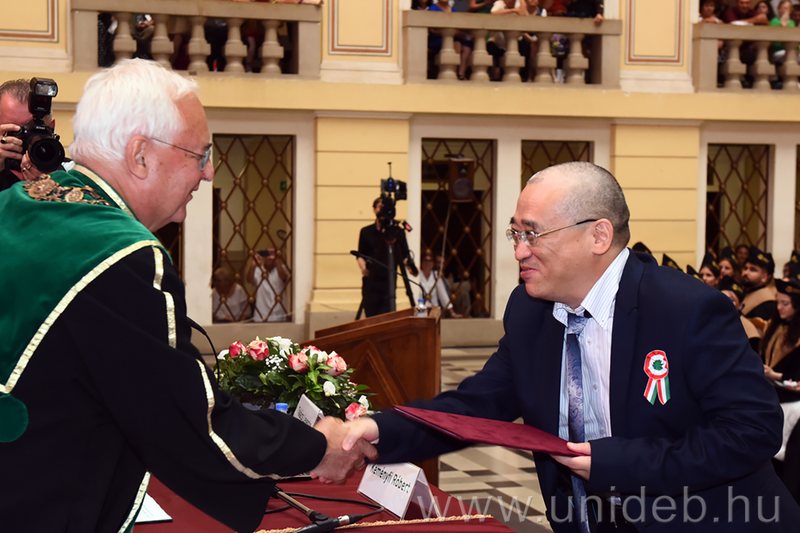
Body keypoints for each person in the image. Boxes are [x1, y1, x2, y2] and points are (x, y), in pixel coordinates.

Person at [0, 59, 376, 533]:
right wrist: (319, 447)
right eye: (199, 154)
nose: (209, 173)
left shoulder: (19, 204)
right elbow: (191, 423)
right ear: (140, 155)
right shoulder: (118, 253)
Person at [343, 161, 799, 532]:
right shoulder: (530, 310)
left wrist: (614, 462)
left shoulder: (686, 308)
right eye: (515, 233)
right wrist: (377, 431)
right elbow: (476, 406)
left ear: (598, 235)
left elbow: (753, 430)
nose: (519, 251)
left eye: (532, 234)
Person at [760, 268, 800, 504]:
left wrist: (776, 374)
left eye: (785, 303)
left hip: (792, 401)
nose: (779, 308)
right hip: (771, 394)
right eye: (778, 302)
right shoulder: (775, 327)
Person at [356, 197, 413, 317]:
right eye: (380, 207)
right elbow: (360, 254)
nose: (383, 211)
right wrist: (363, 268)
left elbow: (405, 255)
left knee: (387, 316)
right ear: (374, 210)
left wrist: (410, 266)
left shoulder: (397, 233)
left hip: (388, 281)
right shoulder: (366, 232)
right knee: (371, 317)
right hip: (371, 281)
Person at [0, 79, 50, 191]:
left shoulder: (70, 172)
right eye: (15, 130)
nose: (24, 138)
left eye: (32, 129)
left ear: (51, 126)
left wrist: (51, 183)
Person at [719, 274, 762, 351]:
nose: (725, 302)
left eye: (731, 300)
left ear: (740, 306)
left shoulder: (749, 332)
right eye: (721, 298)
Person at [247, 247, 288, 322]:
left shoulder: (282, 268)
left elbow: (284, 277)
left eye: (273, 253)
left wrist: (277, 261)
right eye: (268, 253)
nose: (270, 256)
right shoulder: (258, 270)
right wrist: (253, 266)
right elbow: (249, 280)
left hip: (279, 314)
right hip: (262, 314)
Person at [418, 253, 462, 317]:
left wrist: (452, 313)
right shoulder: (417, 276)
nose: (427, 263)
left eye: (430, 261)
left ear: (433, 263)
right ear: (421, 262)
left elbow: (443, 295)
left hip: (433, 311)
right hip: (420, 311)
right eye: (425, 260)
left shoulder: (435, 276)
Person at [741, 245, 778, 320]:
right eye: (745, 268)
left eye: (753, 270)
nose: (746, 273)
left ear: (764, 277)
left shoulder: (767, 302)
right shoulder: (744, 291)